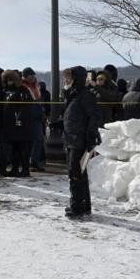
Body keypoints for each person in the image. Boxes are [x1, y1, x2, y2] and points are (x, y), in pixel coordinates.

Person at [62, 65, 101, 218]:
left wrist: (91, 135)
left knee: (76, 174)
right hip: (72, 138)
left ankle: (77, 207)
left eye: (68, 78)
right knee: (79, 174)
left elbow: (94, 116)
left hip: (79, 140)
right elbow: (75, 116)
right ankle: (83, 206)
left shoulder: (85, 95)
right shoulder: (74, 95)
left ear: (76, 79)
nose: (66, 81)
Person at [0, 69, 37, 177]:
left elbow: (27, 107)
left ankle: (25, 169)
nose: (9, 82)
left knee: (22, 147)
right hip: (10, 124)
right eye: (7, 80)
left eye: (10, 79)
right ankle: (15, 168)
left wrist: (20, 119)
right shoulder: (6, 91)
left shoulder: (22, 90)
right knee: (14, 148)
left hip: (21, 124)